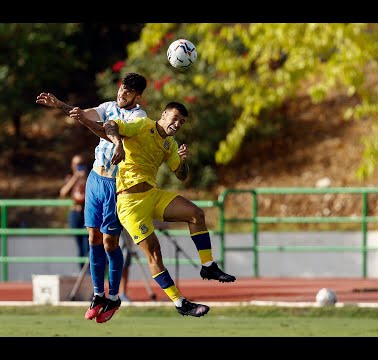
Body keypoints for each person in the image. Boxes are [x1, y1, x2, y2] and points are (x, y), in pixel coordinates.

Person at [69, 101, 236, 318]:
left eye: (182, 122)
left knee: (196, 214)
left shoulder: (170, 144)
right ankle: (180, 302)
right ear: (164, 114)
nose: (177, 124)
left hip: (153, 195)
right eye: (175, 118)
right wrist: (118, 143)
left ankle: (208, 266)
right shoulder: (141, 125)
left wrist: (184, 162)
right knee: (154, 254)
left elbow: (182, 175)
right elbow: (110, 125)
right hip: (130, 204)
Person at [35, 72, 148, 323]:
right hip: (95, 181)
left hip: (115, 184)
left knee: (110, 242)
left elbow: (108, 131)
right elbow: (83, 113)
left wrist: (97, 129)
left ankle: (115, 296)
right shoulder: (109, 106)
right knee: (93, 237)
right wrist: (60, 105)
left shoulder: (139, 118)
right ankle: (98, 295)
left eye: (128, 92)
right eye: (121, 89)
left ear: (138, 97)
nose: (122, 94)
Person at [60, 154, 89, 271]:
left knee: (88, 245)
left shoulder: (90, 178)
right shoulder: (70, 178)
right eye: (77, 164)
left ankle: (90, 275)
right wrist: (76, 177)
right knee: (80, 247)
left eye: (81, 164)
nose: (79, 167)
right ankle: (82, 273)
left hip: (87, 213)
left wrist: (84, 178)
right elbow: (63, 193)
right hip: (75, 214)